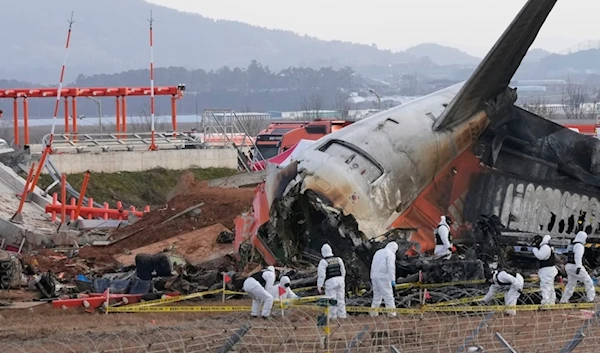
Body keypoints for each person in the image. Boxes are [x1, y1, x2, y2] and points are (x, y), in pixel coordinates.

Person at [560, 231, 595, 303]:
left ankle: (564, 300)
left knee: (571, 284)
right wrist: (579, 267)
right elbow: (578, 257)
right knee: (588, 281)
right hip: (576, 266)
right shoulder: (579, 246)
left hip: (569, 266)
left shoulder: (572, 245)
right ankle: (590, 299)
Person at [317, 243, 347, 319]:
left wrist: (319, 286)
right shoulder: (338, 259)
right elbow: (343, 271)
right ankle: (342, 315)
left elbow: (321, 275)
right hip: (340, 280)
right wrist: (342, 279)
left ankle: (333, 317)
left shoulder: (323, 262)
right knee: (341, 299)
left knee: (331, 299)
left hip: (330, 282)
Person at [370, 241, 399, 317]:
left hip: (374, 276)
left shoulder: (378, 252)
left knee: (376, 296)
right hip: (383, 277)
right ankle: (392, 313)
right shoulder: (390, 254)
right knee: (388, 295)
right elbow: (391, 267)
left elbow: (373, 264)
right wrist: (392, 279)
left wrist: (371, 276)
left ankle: (373, 313)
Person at [531, 234, 558, 305]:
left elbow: (540, 256)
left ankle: (545, 303)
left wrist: (535, 250)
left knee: (545, 287)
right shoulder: (547, 246)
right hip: (548, 270)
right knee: (550, 286)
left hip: (547, 270)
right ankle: (551, 302)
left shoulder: (545, 247)